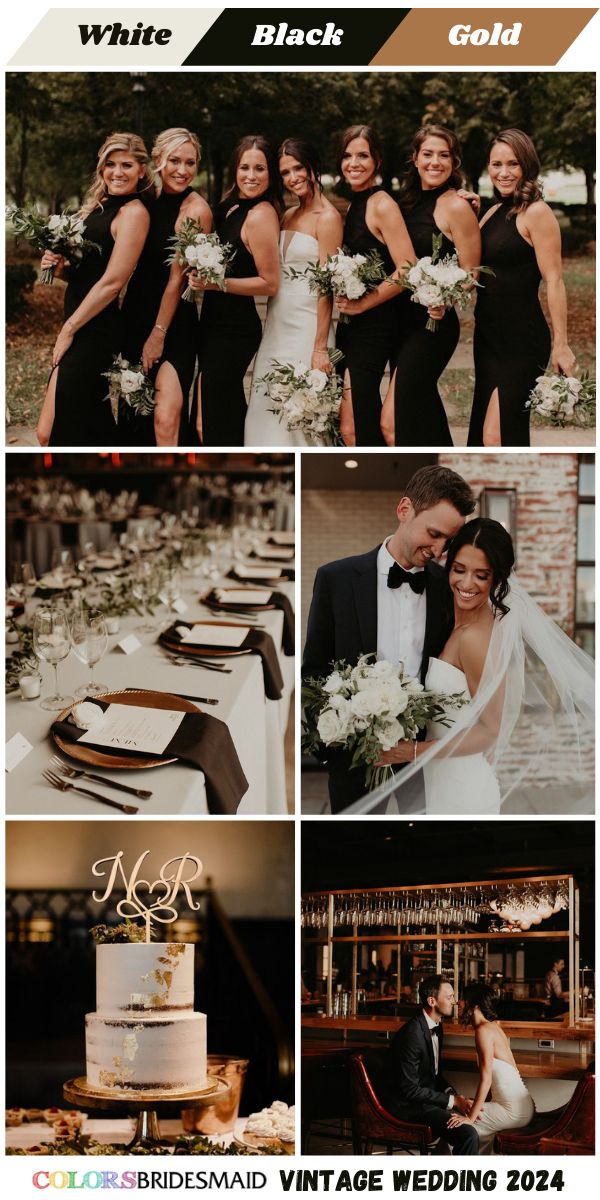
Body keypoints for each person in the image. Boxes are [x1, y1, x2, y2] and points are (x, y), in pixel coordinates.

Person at [344, 518, 595, 816]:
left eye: (481, 575)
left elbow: (490, 731)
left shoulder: (475, 639)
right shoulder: (452, 619)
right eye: (459, 570)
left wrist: (411, 752)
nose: (466, 584)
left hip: (460, 786)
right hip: (438, 776)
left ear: (497, 579)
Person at [302, 464, 475, 812]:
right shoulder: (335, 579)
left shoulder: (447, 589)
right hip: (355, 759)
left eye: (448, 541)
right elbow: (314, 669)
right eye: (434, 533)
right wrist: (331, 747)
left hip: (424, 760)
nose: (439, 550)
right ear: (404, 510)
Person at [37, 132, 152, 447]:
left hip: (95, 328)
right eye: (110, 164)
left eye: (127, 165)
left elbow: (113, 282)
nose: (117, 172)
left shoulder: (134, 213)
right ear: (101, 168)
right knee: (78, 426)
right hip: (78, 319)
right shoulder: (97, 207)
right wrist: (59, 269)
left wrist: (69, 329)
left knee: (57, 429)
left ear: (142, 169)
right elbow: (86, 274)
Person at [468, 129, 576, 447]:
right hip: (487, 338)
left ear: (526, 166)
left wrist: (562, 344)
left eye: (512, 164)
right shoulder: (489, 213)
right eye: (496, 164)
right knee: (484, 436)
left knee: (499, 434)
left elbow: (555, 280)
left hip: (520, 340)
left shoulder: (537, 213)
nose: (503, 172)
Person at [380, 124, 481, 447]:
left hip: (431, 326)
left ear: (454, 162)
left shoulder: (456, 206)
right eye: (428, 154)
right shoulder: (404, 203)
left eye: (443, 155)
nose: (435, 162)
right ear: (415, 158)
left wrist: (445, 299)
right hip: (398, 323)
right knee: (424, 412)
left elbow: (472, 272)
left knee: (392, 422)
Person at [245, 137, 343, 446]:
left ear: (313, 167)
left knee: (300, 417)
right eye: (286, 172)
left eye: (298, 168)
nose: (293, 178)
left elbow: (326, 285)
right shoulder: (287, 215)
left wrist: (319, 347)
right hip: (276, 328)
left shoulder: (328, 218)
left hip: (307, 330)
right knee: (263, 409)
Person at [120, 127, 212, 446]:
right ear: (158, 159)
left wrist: (158, 334)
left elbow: (176, 280)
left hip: (174, 325)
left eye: (190, 163)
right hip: (133, 316)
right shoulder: (142, 201)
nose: (182, 170)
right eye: (174, 161)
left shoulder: (195, 210)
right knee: (136, 415)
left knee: (165, 417)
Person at [191, 135, 281, 446]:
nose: (251, 176)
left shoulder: (261, 214)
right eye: (245, 167)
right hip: (213, 324)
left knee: (215, 417)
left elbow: (270, 282)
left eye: (260, 168)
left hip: (235, 329)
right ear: (235, 169)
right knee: (213, 412)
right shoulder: (230, 207)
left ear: (271, 174)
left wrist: (216, 283)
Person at [333, 125, 415, 447]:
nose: (354, 163)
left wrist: (363, 303)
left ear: (377, 160)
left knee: (357, 424)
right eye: (347, 156)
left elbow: (408, 268)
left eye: (362, 155)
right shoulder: (355, 203)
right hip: (352, 325)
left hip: (376, 326)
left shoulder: (381, 204)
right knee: (351, 423)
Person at [386, 975, 479, 1156]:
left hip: (426, 1100)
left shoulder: (437, 1026)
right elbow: (410, 1090)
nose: (455, 1001)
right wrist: (453, 1102)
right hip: (409, 1106)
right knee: (468, 1135)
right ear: (432, 1001)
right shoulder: (412, 1035)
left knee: (475, 1118)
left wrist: (455, 1096)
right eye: (450, 997)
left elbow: (434, 1075)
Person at [447, 983, 534, 1154]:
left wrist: (471, 1118)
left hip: (512, 1111)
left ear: (475, 1005)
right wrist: (480, 1105)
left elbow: (486, 1079)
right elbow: (494, 1080)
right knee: (468, 1111)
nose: (459, 1003)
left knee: (454, 1125)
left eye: (463, 999)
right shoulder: (493, 1027)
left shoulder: (484, 1031)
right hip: (522, 1107)